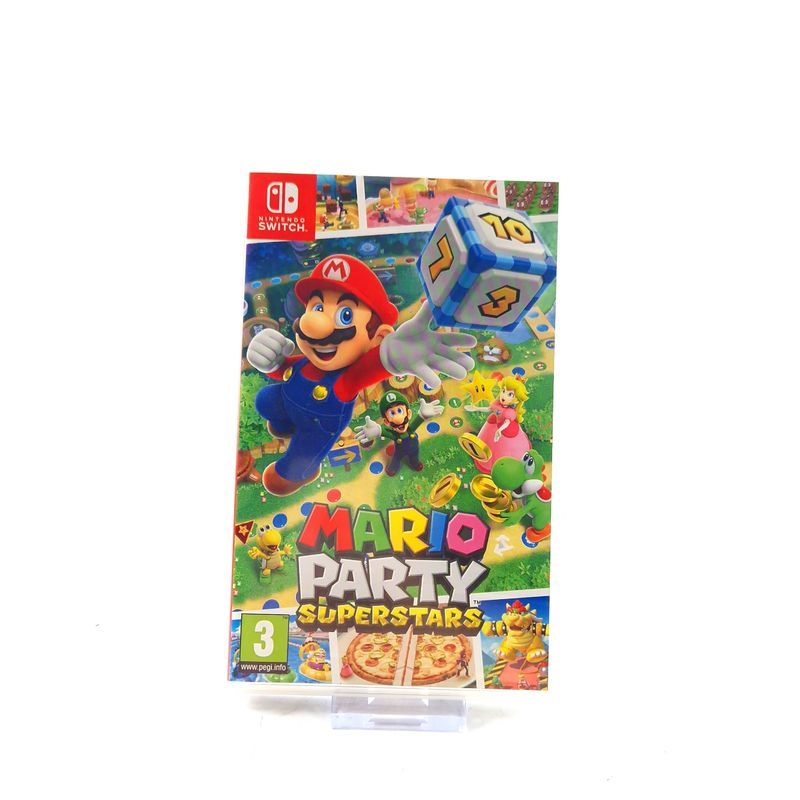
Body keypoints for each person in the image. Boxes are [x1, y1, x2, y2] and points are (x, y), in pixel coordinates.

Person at [246, 255, 476, 495]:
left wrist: (392, 355)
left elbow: (372, 366)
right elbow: (285, 371)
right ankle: (285, 424)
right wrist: (271, 359)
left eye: (345, 315)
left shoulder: (349, 378)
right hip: (289, 405)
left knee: (299, 459)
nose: (314, 324)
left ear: (377, 337)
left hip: (317, 426)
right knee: (266, 399)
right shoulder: (306, 361)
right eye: (317, 308)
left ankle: (301, 473)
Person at [354, 391, 443, 476]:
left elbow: (416, 423)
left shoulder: (410, 430)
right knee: (396, 459)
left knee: (414, 457)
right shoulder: (395, 435)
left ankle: (415, 463)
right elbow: (385, 432)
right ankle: (392, 469)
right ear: (387, 422)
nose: (398, 418)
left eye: (400, 411)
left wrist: (422, 416)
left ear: (408, 414)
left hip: (414, 448)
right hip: (400, 451)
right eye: (392, 413)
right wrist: (377, 430)